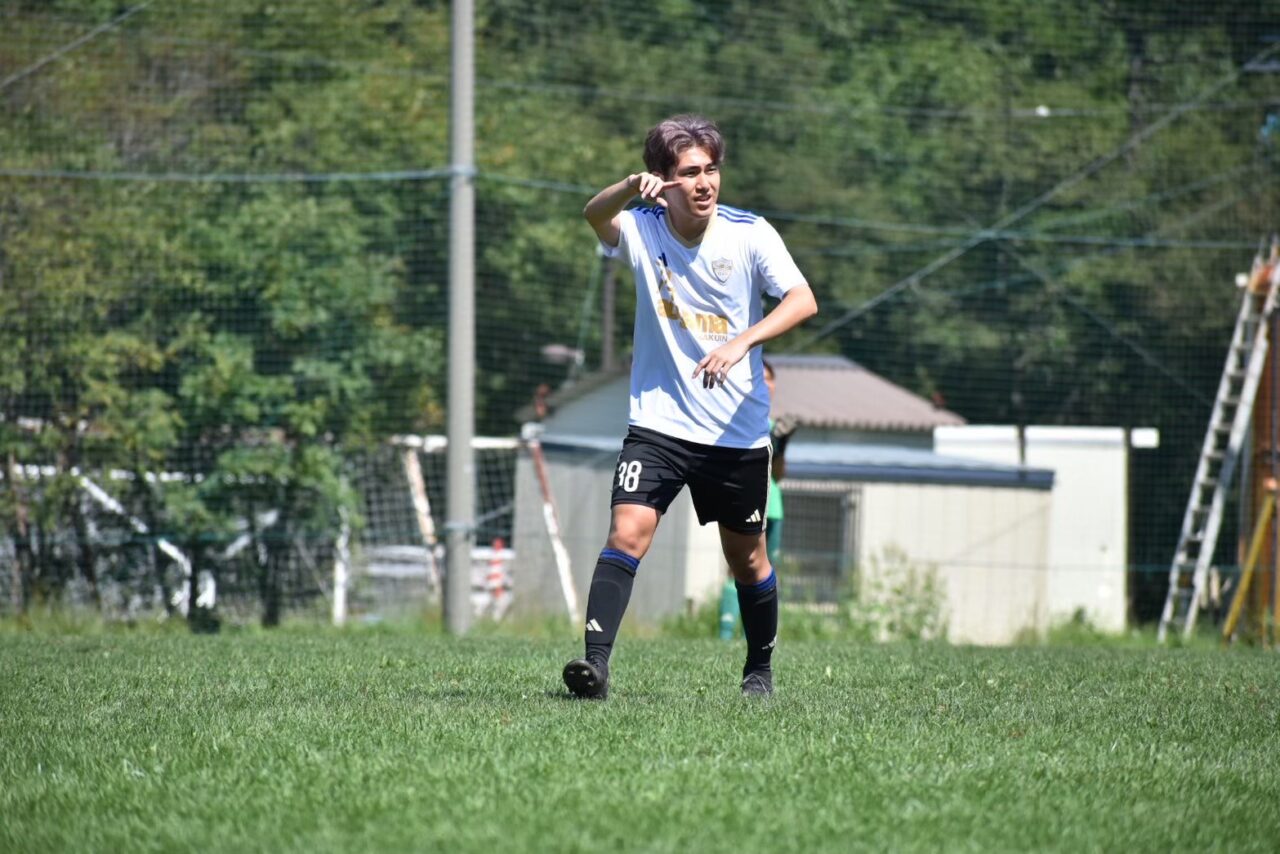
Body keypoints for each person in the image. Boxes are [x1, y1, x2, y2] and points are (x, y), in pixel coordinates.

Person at [562, 114, 818, 699]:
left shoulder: (750, 233)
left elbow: (803, 299)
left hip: (736, 431)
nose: (705, 183)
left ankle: (759, 672)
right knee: (627, 531)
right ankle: (594, 668)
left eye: (712, 170)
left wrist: (742, 342)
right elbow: (594, 215)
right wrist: (630, 187)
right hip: (658, 424)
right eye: (690, 172)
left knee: (746, 559)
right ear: (664, 179)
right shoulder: (642, 226)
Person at [718, 358, 796, 639]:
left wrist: (782, 445)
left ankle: (754, 636)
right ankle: (726, 633)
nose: (766, 384)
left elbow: (778, 475)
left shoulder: (776, 426)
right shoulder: (739, 422)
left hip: (772, 507)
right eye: (760, 378)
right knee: (738, 567)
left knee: (765, 570)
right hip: (744, 501)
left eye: (770, 379)